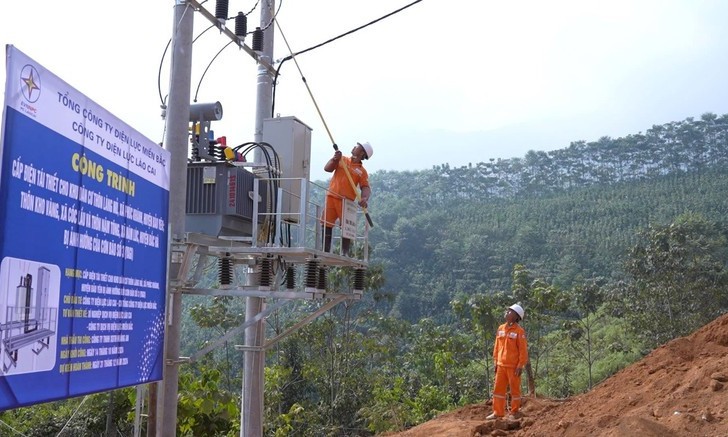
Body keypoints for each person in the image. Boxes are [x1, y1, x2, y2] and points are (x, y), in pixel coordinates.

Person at [321, 141, 373, 254]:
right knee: (326, 223)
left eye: (357, 147)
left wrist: (364, 198)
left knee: (346, 227)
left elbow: (365, 187)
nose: (354, 147)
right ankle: (325, 250)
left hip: (346, 202)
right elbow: (327, 169)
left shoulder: (362, 172)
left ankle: (345, 252)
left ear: (362, 153)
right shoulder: (342, 159)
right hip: (331, 196)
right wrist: (335, 159)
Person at [487, 303, 529, 420]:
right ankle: (498, 412)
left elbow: (523, 350)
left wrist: (520, 365)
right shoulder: (501, 328)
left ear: (516, 317)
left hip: (513, 366)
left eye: (510, 312)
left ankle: (514, 412)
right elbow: (496, 347)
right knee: (498, 390)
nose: (507, 313)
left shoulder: (519, 331)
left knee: (514, 390)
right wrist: (495, 361)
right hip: (501, 365)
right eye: (508, 311)